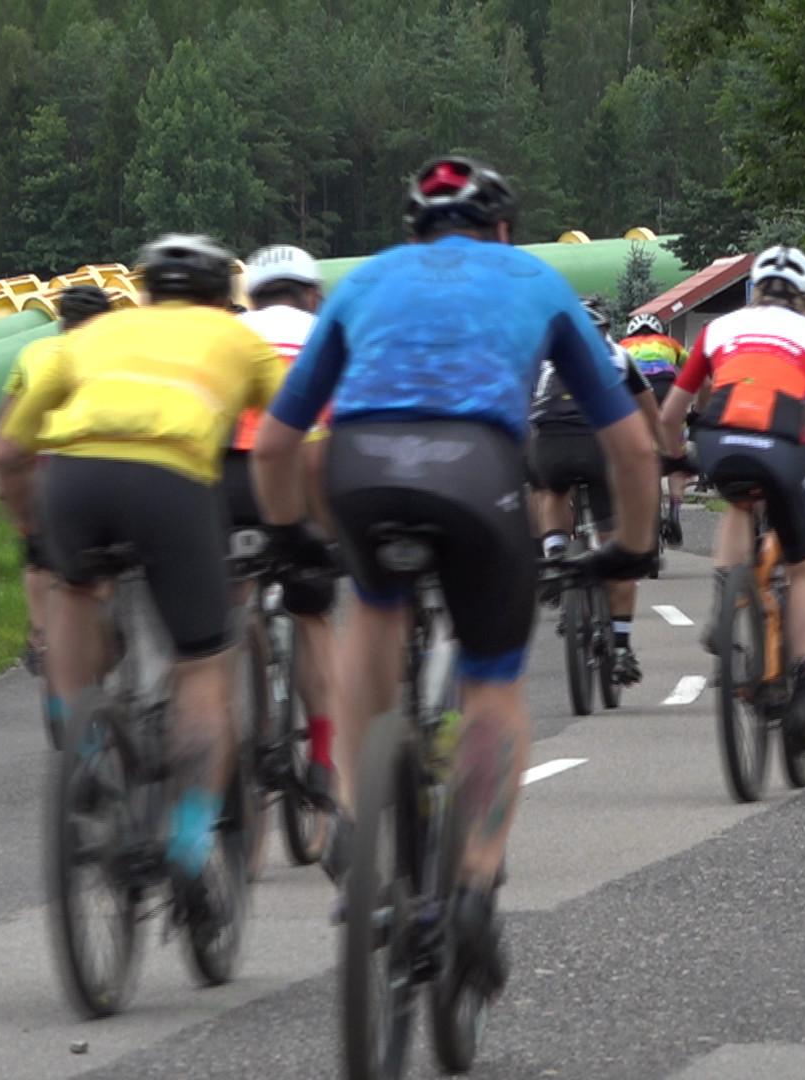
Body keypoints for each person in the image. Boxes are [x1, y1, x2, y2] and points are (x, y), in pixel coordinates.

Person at [250, 155, 659, 1006]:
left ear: (412, 233)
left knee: (374, 609)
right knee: (492, 683)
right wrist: (630, 547)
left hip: (363, 466)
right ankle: (471, 881)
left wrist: (291, 539)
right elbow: (630, 444)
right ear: (502, 230)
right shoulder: (533, 278)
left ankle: (356, 814)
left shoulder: (366, 280)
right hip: (478, 471)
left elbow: (279, 442)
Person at [0, 234, 284, 935]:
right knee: (203, 665)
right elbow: (289, 432)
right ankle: (188, 842)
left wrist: (34, 534)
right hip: (172, 485)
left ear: (146, 291)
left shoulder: (94, 334)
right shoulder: (237, 338)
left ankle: (85, 744)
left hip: (76, 483)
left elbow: (9, 451)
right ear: (223, 297)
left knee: (73, 591)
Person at [657, 245, 805, 753]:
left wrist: (675, 459)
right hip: (781, 445)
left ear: (754, 289)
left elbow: (670, 415)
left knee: (740, 503)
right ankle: (803, 690)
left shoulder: (720, 330)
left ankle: (725, 601)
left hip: (721, 439)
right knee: (804, 570)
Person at [227, 244, 341, 805]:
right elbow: (325, 443)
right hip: (294, 465)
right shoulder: (323, 336)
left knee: (223, 609)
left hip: (223, 475)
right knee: (313, 608)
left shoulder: (230, 333)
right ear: (312, 294)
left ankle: (221, 732)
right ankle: (321, 757)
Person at [530, 294, 664, 687]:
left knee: (552, 491)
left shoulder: (541, 357)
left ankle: (554, 551)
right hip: (600, 446)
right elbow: (650, 413)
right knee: (618, 549)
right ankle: (621, 648)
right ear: (604, 329)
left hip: (550, 442)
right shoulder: (620, 356)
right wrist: (667, 451)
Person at [0, 284, 112, 741]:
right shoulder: (112, 350)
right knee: (101, 581)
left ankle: (43, 633)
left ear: (60, 320)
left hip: (40, 467)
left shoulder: (33, 351)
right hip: (98, 465)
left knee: (38, 554)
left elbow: (8, 418)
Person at [620, 312, 691, 546]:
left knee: (641, 449)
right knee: (674, 453)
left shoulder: (623, 346)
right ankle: (674, 511)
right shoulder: (671, 344)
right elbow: (692, 371)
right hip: (667, 389)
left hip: (637, 393)